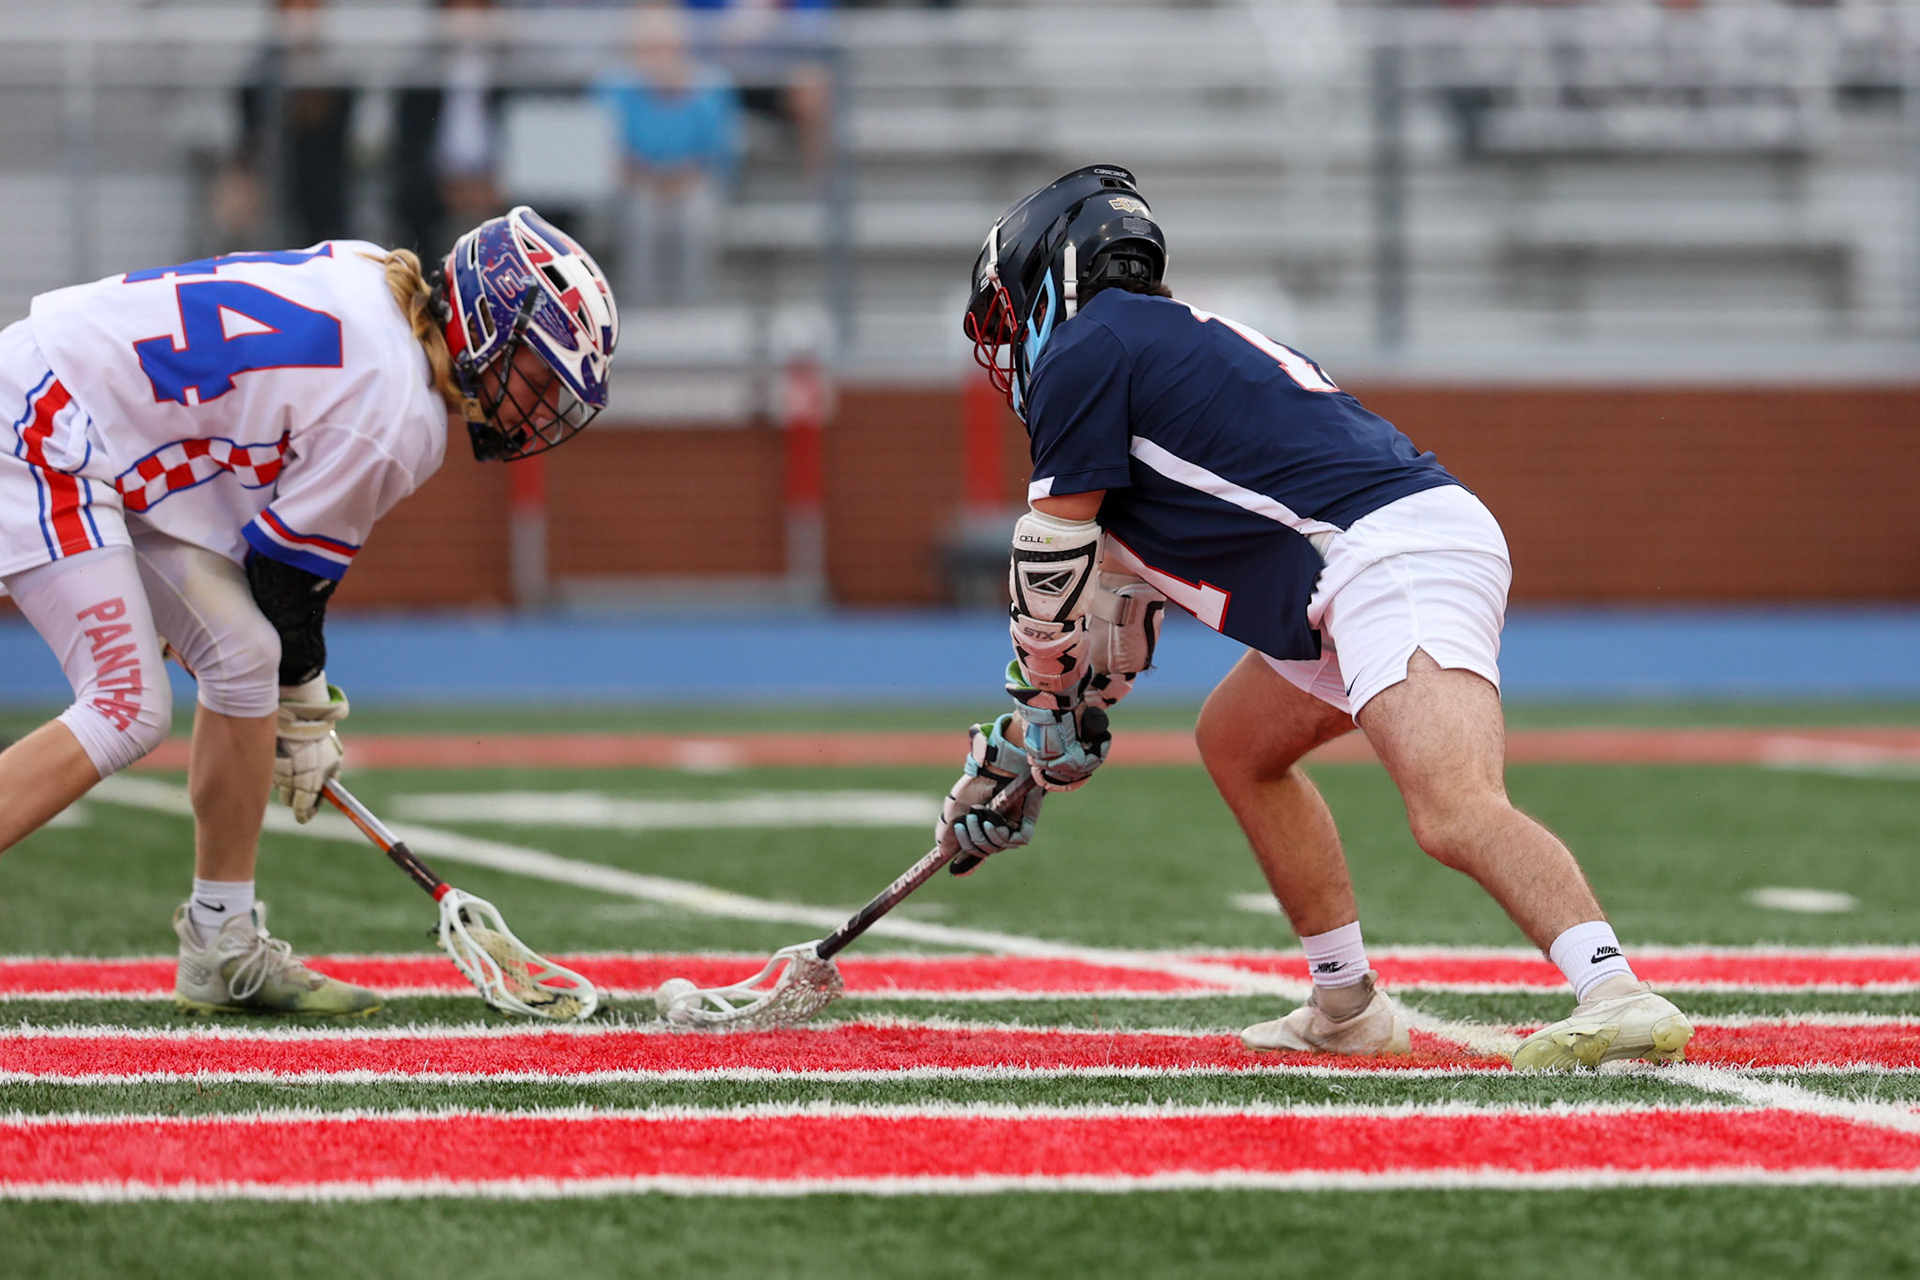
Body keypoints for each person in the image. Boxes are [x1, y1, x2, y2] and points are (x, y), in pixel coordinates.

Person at [937, 164, 1694, 1073]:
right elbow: (1110, 624)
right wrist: (1038, 733)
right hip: (1362, 560)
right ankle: (1345, 1003)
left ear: (1049, 277)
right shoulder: (1150, 350)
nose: (1013, 352)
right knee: (1238, 743)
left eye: (1011, 323)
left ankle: (1615, 990)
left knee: (1452, 807)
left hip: (1390, 553)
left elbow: (1051, 559)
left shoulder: (1092, 348)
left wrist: (1045, 714)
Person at [0, 206, 617, 1015]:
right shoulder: (401, 413)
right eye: (538, 373)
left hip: (89, 430)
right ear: (487, 322)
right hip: (47, 427)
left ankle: (221, 942)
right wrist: (309, 716)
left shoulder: (377, 278)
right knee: (128, 703)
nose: (539, 405)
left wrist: (292, 703)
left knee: (242, 656)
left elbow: (263, 574)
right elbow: (285, 579)